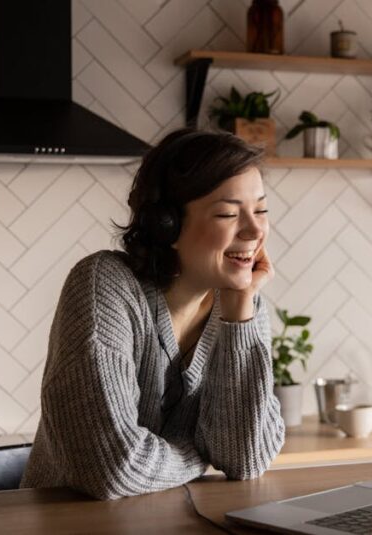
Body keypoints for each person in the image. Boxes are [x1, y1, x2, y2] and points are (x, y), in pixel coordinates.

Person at [20, 128, 285, 499]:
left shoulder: (245, 307)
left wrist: (240, 314)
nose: (255, 230)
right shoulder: (104, 285)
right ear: (167, 226)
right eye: (228, 213)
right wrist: (199, 453)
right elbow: (112, 468)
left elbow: (245, 460)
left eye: (261, 210)